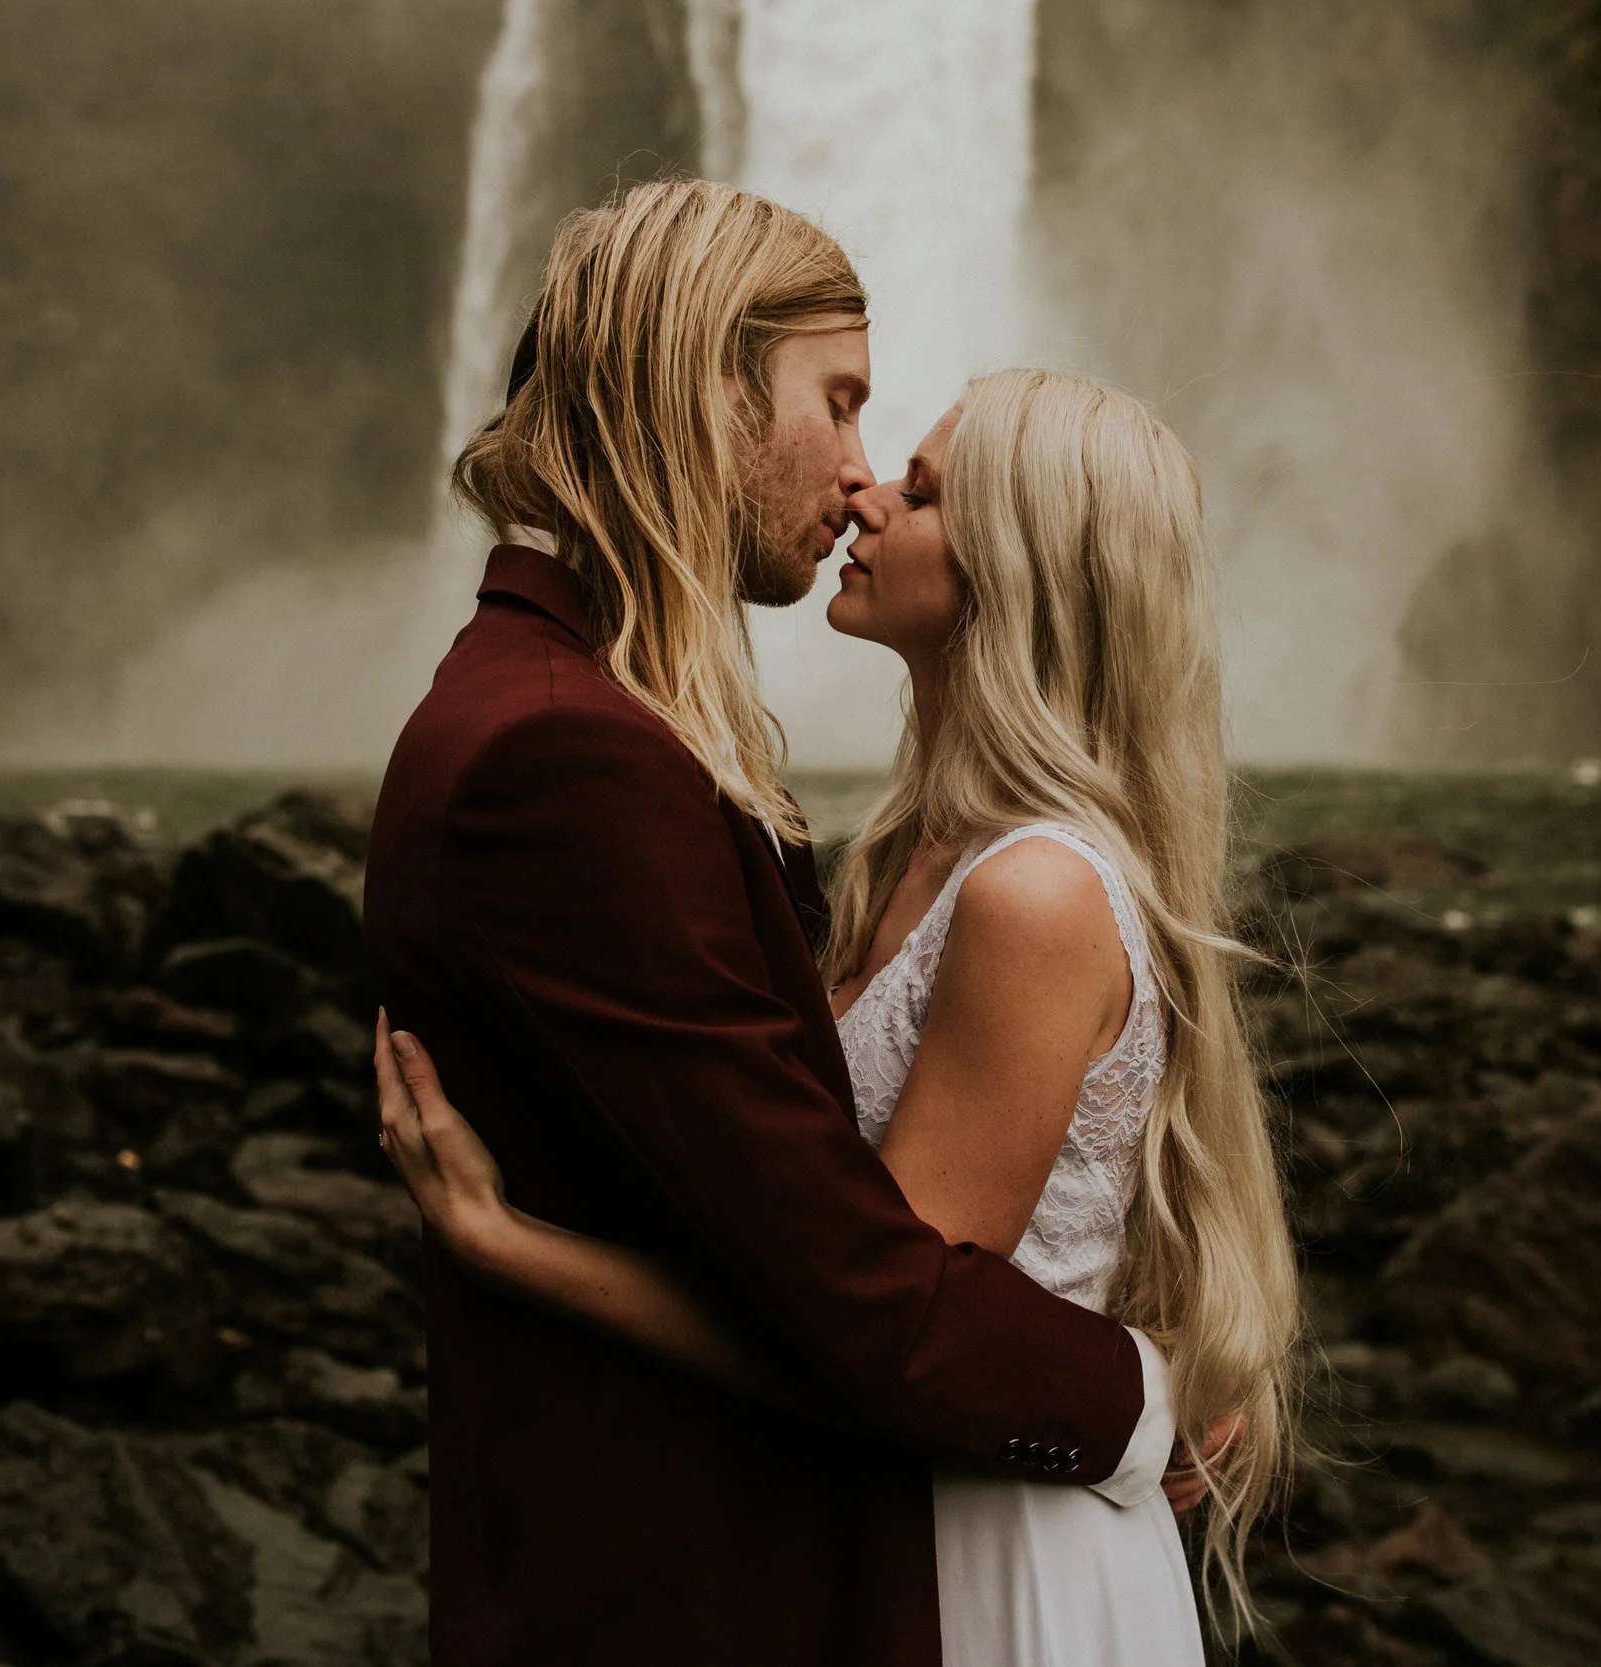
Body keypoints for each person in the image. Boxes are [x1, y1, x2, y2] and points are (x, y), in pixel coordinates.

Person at [362, 181, 1201, 1667]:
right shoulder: (574, 756)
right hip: (681, 1576)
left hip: (812, 1554)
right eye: (842, 400)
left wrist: (516, 1243)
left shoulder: (577, 721)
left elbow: (833, 1260)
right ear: (705, 394)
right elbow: (859, 1294)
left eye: (909, 460)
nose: (864, 475)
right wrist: (1144, 1396)